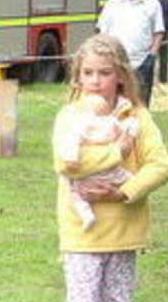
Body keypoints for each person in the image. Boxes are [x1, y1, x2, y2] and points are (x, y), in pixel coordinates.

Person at [44, 34, 168, 302]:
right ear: (77, 76)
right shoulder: (71, 116)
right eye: (88, 73)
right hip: (84, 232)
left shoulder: (137, 117)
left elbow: (160, 165)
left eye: (104, 73)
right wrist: (115, 152)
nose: (96, 80)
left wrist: (124, 191)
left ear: (121, 75)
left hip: (125, 229)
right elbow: (69, 164)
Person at [58, 92, 137, 231]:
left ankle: (87, 215)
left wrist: (72, 158)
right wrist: (130, 132)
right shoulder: (112, 121)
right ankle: (132, 190)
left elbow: (70, 148)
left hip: (88, 179)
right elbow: (125, 136)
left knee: (76, 194)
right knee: (131, 179)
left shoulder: (81, 124)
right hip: (114, 173)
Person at [97, 0, 164, 106]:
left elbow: (158, 32)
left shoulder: (152, 4)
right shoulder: (112, 3)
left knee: (140, 106)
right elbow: (102, 33)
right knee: (113, 104)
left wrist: (151, 56)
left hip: (141, 64)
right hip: (114, 63)